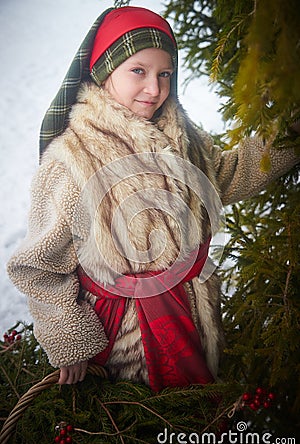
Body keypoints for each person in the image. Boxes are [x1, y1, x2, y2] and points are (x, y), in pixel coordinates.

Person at [7, 6, 300, 391]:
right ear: (104, 70)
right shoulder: (72, 159)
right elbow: (39, 266)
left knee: (196, 415)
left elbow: (226, 176)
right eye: (138, 71)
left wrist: (289, 136)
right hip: (122, 340)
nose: (154, 89)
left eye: (165, 74)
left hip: (190, 317)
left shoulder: (182, 139)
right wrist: (70, 342)